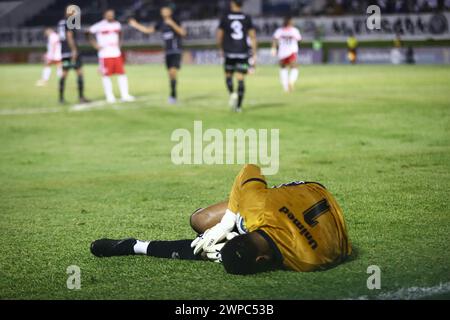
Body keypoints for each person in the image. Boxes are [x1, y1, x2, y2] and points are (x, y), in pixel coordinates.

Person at [91, 164, 352, 275]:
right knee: (201, 221)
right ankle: (134, 245)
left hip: (318, 209)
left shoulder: (307, 262)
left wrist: (228, 235)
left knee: (203, 234)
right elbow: (250, 168)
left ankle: (133, 245)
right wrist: (227, 222)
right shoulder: (255, 208)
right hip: (308, 191)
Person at [128, 4, 186, 104]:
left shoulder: (175, 21)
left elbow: (183, 33)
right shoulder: (161, 23)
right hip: (167, 51)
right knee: (170, 75)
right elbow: (148, 30)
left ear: (170, 12)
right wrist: (135, 25)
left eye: (166, 10)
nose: (164, 12)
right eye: (162, 11)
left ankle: (173, 96)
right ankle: (173, 94)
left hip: (176, 50)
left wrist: (172, 24)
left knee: (172, 72)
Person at [217, 0, 257, 112]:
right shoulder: (246, 17)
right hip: (243, 53)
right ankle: (239, 106)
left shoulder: (225, 17)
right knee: (240, 77)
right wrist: (254, 53)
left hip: (229, 52)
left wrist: (220, 48)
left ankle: (232, 93)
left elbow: (219, 35)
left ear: (232, 3)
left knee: (228, 75)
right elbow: (253, 36)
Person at [88, 9, 135, 103]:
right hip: (105, 54)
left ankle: (125, 94)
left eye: (112, 15)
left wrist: (120, 44)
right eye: (108, 15)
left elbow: (121, 34)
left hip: (116, 53)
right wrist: (95, 45)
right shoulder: (99, 25)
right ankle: (110, 96)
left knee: (122, 74)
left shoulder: (117, 24)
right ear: (104, 15)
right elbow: (88, 33)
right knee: (106, 75)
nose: (110, 16)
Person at [57, 5, 89, 104]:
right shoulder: (69, 22)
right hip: (71, 52)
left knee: (64, 74)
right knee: (80, 73)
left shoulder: (61, 22)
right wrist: (74, 50)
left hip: (64, 53)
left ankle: (61, 99)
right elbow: (69, 36)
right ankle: (81, 97)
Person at [271, 16, 302, 93]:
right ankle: (291, 82)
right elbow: (299, 39)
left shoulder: (279, 31)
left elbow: (274, 39)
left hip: (282, 52)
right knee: (294, 67)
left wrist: (273, 48)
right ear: (290, 22)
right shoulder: (294, 30)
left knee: (283, 68)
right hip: (291, 51)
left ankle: (285, 86)